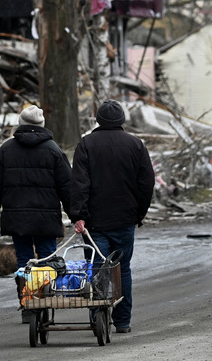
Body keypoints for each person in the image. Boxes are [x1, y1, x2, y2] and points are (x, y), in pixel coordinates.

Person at [70, 100, 155, 334]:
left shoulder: (86, 144)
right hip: (125, 218)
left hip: (94, 222)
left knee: (97, 267)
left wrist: (78, 215)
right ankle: (123, 321)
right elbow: (146, 182)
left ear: (98, 120)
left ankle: (97, 315)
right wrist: (140, 212)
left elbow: (79, 183)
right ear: (122, 120)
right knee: (122, 268)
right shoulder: (135, 145)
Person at [0, 104, 72, 271]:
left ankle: (25, 296)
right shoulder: (53, 150)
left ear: (20, 123)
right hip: (46, 220)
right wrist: (76, 214)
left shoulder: (7, 150)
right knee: (48, 260)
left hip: (17, 218)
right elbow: (67, 186)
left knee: (24, 262)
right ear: (42, 124)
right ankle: (45, 296)